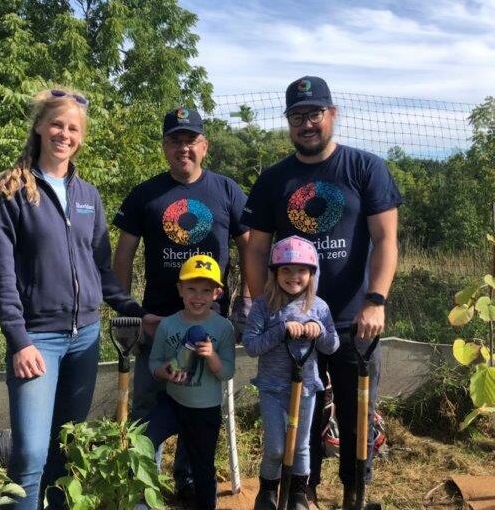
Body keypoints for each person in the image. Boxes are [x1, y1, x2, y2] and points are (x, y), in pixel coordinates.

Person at [0, 88, 158, 510]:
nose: (64, 133)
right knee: (29, 455)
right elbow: (1, 275)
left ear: (81, 137)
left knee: (66, 449)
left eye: (73, 128)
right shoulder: (9, 191)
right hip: (37, 341)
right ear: (41, 127)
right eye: (57, 124)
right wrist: (19, 340)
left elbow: (100, 268)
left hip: (85, 338)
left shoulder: (88, 196)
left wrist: (133, 310)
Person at [241, 76, 402, 509]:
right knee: (301, 410)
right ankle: (302, 493)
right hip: (294, 322)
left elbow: (386, 239)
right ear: (288, 123)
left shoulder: (365, 169)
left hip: (354, 319)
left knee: (356, 416)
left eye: (314, 113)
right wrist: (266, 307)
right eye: (297, 116)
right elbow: (256, 248)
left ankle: (353, 493)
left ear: (332, 115)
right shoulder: (275, 179)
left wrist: (376, 300)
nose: (306, 123)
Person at [112, 107, 250, 499]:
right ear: (164, 147)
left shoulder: (226, 191)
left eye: (190, 140)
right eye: (175, 140)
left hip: (208, 325)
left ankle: (188, 482)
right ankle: (142, 488)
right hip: (157, 323)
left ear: (204, 145)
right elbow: (123, 256)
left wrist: (250, 300)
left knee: (199, 409)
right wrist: (129, 313)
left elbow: (249, 246)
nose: (183, 148)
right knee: (147, 408)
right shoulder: (146, 194)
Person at [243, 236, 339, 510]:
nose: (294, 276)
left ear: (312, 274)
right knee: (275, 447)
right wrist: (281, 330)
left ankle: (298, 493)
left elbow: (332, 346)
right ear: (274, 273)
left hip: (307, 387)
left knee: (301, 446)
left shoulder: (319, 307)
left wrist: (318, 330)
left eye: (301, 270)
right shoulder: (264, 305)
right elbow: (251, 345)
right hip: (272, 388)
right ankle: (267, 492)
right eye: (286, 269)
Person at [144, 254, 235, 510]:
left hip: (205, 409)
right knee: (145, 441)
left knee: (202, 465)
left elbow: (227, 372)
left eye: (206, 290)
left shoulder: (223, 328)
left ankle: (206, 504)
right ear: (180, 290)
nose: (198, 297)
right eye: (191, 289)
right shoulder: (168, 325)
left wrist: (213, 357)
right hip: (172, 402)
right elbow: (154, 364)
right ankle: (145, 497)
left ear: (216, 294)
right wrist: (164, 371)